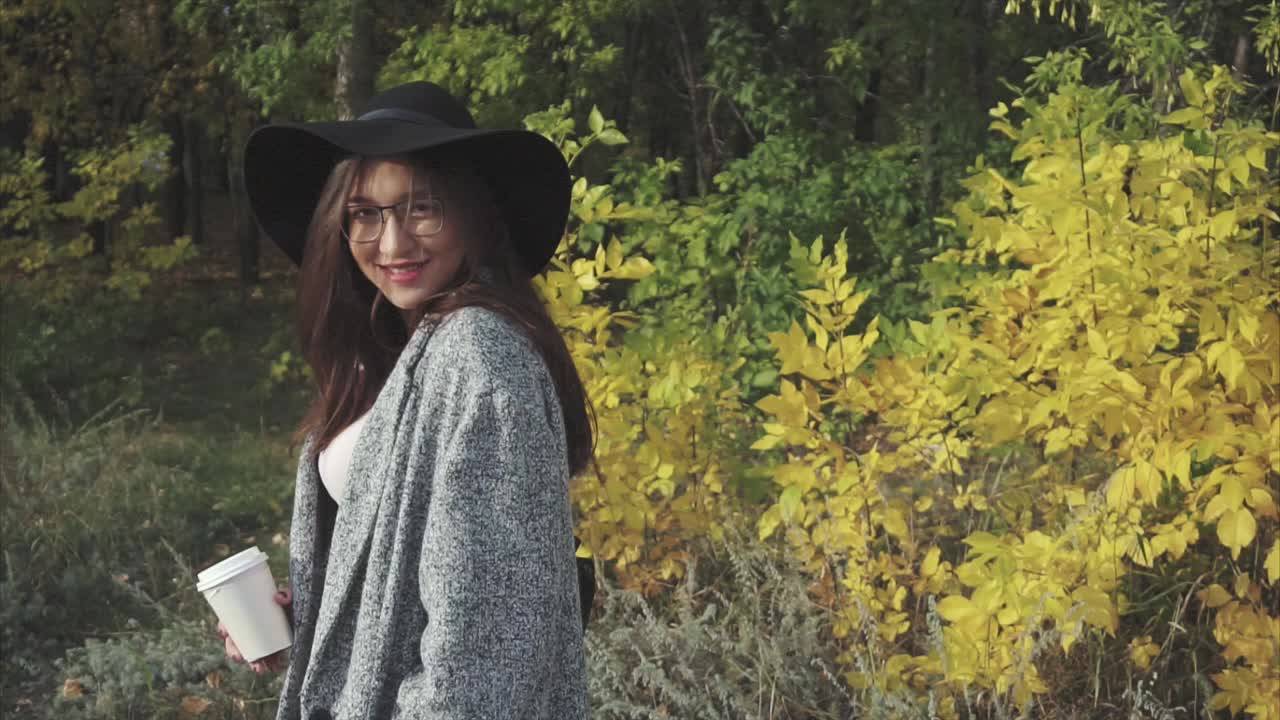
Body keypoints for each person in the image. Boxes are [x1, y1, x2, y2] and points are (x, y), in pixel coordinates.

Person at [222, 81, 594, 720]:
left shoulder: (480, 354)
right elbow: (410, 576)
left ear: (476, 214)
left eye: (423, 208)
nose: (392, 245)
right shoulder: (393, 351)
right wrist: (315, 616)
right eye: (366, 213)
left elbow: (485, 652)